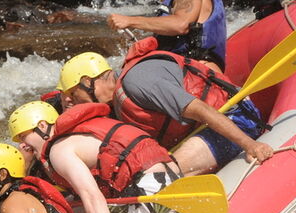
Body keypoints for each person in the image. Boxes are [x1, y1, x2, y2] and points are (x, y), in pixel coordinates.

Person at [11, 100, 182, 213]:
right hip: (171, 180)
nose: (22, 146)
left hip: (152, 195)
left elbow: (92, 197)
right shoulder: (83, 133)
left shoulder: (59, 151)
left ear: (42, 126)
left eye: (23, 136)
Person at [58, 51, 273, 176]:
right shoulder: (118, 103)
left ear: (87, 82)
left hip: (236, 119)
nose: (74, 103)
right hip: (205, 131)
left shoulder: (137, 82)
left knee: (159, 178)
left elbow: (201, 109)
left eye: (74, 95)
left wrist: (250, 145)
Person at [108, 0, 226, 72]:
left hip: (199, 74)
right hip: (185, 71)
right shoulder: (176, 5)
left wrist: (129, 21)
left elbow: (181, 24)